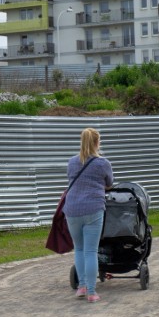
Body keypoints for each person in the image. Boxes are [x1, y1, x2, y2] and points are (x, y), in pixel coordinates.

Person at [63, 127, 114, 303]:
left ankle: (82, 287)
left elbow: (71, 180)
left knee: (79, 248)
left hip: (72, 209)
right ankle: (92, 293)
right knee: (91, 251)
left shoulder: (71, 162)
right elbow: (109, 183)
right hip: (93, 208)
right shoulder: (103, 163)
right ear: (97, 142)